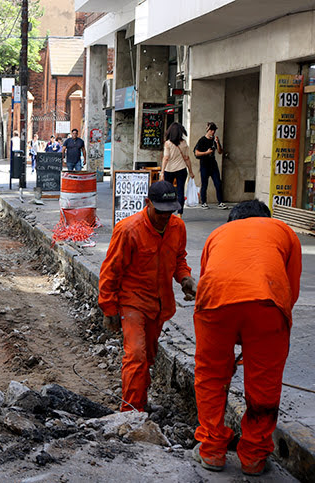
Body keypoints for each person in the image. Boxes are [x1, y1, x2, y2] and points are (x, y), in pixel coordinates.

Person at [191, 200, 301, 476]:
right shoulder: (283, 230)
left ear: (231, 220)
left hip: (213, 303)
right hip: (268, 305)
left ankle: (212, 451)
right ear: (266, 218)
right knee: (264, 382)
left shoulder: (217, 234)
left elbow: (207, 279)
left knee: (211, 376)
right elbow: (290, 290)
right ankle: (253, 457)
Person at [98, 181, 197, 412]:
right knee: (136, 356)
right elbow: (110, 271)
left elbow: (179, 258)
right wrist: (109, 309)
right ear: (148, 203)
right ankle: (131, 413)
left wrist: (184, 278)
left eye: (170, 211)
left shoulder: (177, 227)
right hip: (133, 302)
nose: (165, 216)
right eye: (160, 211)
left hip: (160, 304)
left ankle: (139, 401)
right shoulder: (128, 230)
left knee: (148, 357)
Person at [160, 122, 194, 216]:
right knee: (180, 191)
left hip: (169, 170)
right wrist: (191, 171)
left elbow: (166, 158)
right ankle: (180, 213)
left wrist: (162, 172)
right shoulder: (184, 143)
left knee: (168, 191)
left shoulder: (168, 143)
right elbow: (187, 158)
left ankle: (168, 211)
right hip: (181, 169)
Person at [194, 122, 227, 209]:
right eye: (211, 130)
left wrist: (217, 143)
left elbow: (220, 151)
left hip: (213, 164)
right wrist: (206, 152)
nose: (213, 132)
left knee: (218, 183)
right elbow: (196, 153)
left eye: (214, 130)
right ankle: (204, 202)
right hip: (204, 164)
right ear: (208, 130)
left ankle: (220, 202)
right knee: (204, 183)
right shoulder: (202, 140)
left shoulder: (215, 140)